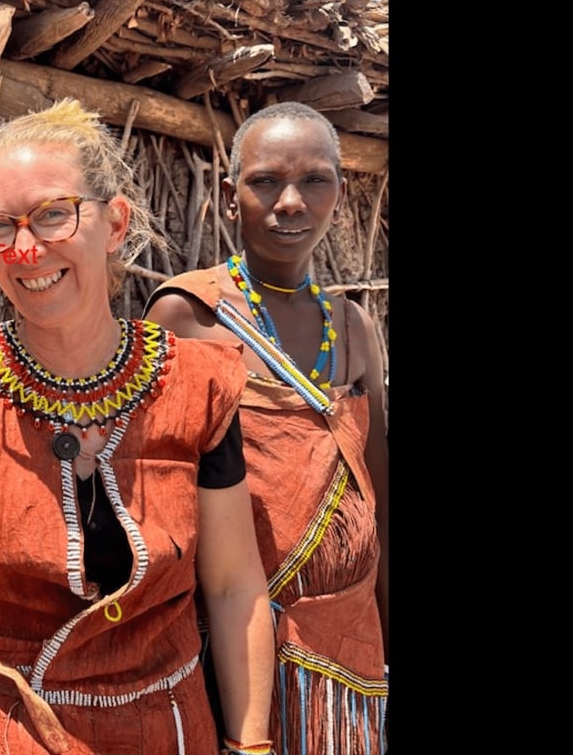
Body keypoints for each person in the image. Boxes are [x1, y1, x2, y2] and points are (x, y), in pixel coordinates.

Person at [0, 98, 276, 755]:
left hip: (166, 733)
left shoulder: (197, 383)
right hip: (0, 733)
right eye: (0, 226)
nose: (25, 248)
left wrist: (251, 747)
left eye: (53, 214)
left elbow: (234, 586)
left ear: (115, 222)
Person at [144, 101, 389, 755]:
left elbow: (379, 505)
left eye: (314, 180)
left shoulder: (354, 330)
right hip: (231, 656)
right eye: (265, 182)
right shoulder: (188, 314)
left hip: (350, 665)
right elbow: (158, 505)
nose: (290, 202)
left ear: (341, 193)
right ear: (230, 197)